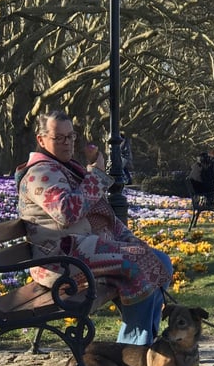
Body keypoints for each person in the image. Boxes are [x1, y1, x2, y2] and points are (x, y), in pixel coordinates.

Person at [16, 109, 173, 346]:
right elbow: (66, 212)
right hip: (60, 261)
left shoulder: (66, 168)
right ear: (41, 139)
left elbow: (102, 216)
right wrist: (97, 174)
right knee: (139, 264)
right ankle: (133, 351)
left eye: (71, 136)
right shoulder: (40, 173)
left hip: (82, 250)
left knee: (159, 260)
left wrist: (131, 240)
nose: (68, 143)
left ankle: (144, 341)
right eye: (60, 138)